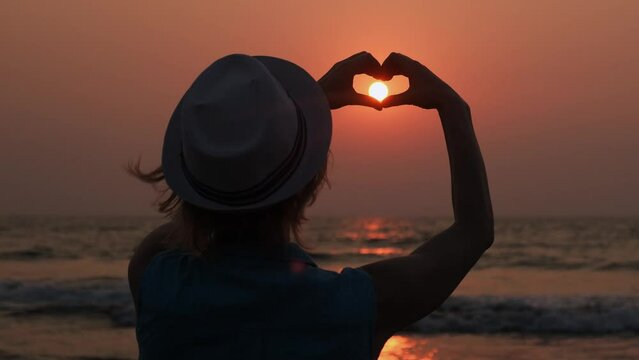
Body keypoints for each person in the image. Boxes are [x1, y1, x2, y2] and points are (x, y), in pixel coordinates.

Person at [128, 51, 493, 360]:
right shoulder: (353, 306)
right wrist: (453, 107)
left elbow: (178, 231)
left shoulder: (156, 281)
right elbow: (473, 231)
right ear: (309, 183)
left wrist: (301, 117)